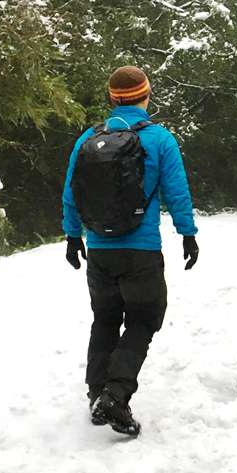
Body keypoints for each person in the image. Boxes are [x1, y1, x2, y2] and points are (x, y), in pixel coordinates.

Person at [61, 66, 199, 436]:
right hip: (141, 251)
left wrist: (73, 236)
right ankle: (115, 395)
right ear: (146, 96)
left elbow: (71, 193)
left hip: (100, 251)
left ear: (111, 98)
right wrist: (187, 233)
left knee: (104, 319)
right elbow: (176, 191)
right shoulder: (159, 139)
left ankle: (96, 393)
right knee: (143, 319)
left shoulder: (87, 139)